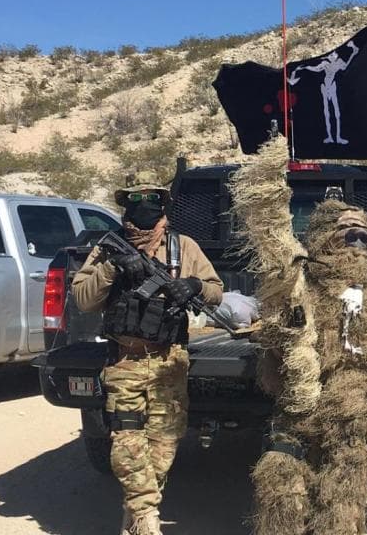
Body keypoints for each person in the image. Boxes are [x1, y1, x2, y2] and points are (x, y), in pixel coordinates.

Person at [229, 135, 367, 535]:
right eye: (348, 236)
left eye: (364, 237)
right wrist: (282, 349)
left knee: (341, 502)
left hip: (355, 410)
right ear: (327, 240)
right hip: (302, 405)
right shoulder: (302, 284)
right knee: (282, 489)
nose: (356, 245)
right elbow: (274, 346)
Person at [72, 171, 223, 535]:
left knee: (164, 446)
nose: (144, 209)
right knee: (126, 443)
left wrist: (193, 285)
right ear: (125, 207)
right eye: (135, 202)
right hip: (125, 361)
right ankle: (147, 518)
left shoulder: (182, 247)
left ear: (163, 205)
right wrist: (111, 267)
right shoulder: (109, 247)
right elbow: (83, 300)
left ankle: (136, 512)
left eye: (151, 201)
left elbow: (217, 292)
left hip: (169, 361)